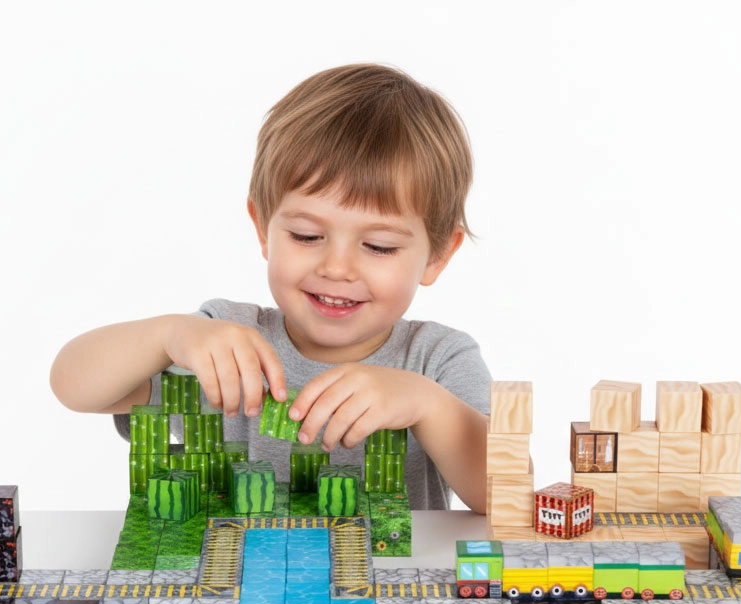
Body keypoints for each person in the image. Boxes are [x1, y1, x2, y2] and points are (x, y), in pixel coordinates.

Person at [50, 63, 492, 512]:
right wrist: (168, 335)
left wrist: (429, 407)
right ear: (263, 228)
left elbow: (502, 495)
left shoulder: (439, 360)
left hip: (389, 561)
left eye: (379, 246)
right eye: (306, 236)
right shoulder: (222, 341)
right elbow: (72, 386)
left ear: (437, 255)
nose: (337, 268)